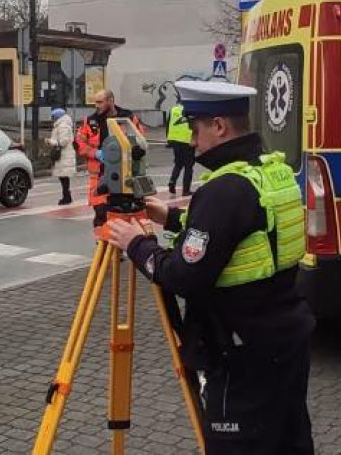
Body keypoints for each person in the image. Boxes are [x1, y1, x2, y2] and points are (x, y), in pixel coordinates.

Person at [104, 80, 314, 454]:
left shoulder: (223, 190)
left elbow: (186, 277)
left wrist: (136, 245)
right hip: (285, 337)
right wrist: (170, 218)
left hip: (242, 352)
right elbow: (243, 234)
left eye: (194, 126)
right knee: (287, 441)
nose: (190, 138)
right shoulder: (268, 172)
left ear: (219, 126)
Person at [76, 90, 143, 226]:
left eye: (100, 102)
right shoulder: (90, 121)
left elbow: (140, 139)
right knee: (101, 214)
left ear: (110, 101)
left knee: (129, 216)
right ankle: (101, 243)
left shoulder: (127, 118)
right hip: (100, 176)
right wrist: (95, 153)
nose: (97, 106)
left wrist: (135, 150)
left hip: (125, 175)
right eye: (95, 102)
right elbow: (78, 143)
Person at [45, 108, 76, 205]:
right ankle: (67, 196)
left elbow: (63, 142)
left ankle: (66, 197)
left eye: (53, 117)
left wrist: (50, 141)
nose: (52, 119)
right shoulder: (62, 125)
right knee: (63, 176)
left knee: (64, 177)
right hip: (64, 154)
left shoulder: (62, 126)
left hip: (64, 155)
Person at [166, 99, 194, 196]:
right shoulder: (191, 110)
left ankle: (172, 181)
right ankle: (186, 190)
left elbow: (168, 124)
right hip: (187, 141)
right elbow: (193, 126)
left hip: (175, 140)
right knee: (188, 166)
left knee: (178, 163)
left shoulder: (174, 109)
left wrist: (169, 140)